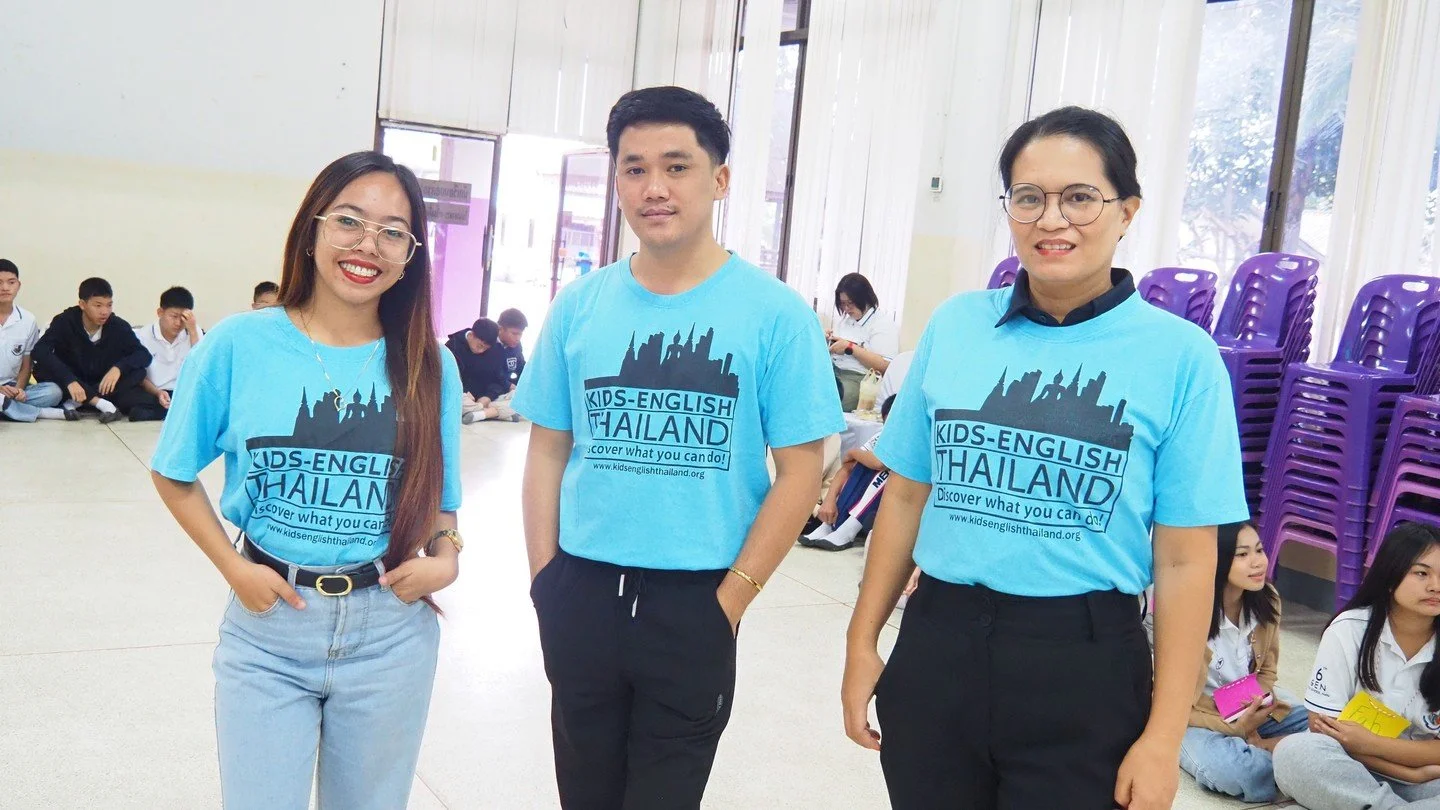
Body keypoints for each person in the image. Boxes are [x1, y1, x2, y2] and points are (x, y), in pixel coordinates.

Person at [841, 106, 1248, 810]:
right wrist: (861, 642)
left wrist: (1163, 737)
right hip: (938, 647)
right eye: (1029, 198)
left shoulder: (1182, 357)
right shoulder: (957, 326)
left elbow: (1186, 561)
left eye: (1080, 197)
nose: (1051, 220)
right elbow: (906, 496)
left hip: (1085, 667)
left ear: (1127, 212)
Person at [514, 86, 844, 808]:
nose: (654, 188)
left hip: (697, 599)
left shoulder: (775, 315)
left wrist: (730, 602)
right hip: (583, 591)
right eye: (634, 169)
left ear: (719, 180)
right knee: (584, 793)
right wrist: (546, 581)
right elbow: (546, 451)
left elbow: (801, 472)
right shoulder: (580, 305)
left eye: (676, 166)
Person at [149, 151, 464, 810]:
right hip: (269, 629)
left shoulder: (428, 364)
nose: (367, 245)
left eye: (392, 232)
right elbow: (173, 471)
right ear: (312, 229)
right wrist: (233, 568)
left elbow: (440, 501)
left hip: (390, 632)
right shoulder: (238, 344)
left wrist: (447, 558)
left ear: (410, 255)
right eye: (349, 221)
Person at [1273, 522, 1440, 809]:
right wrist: (1401, 767)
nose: (1435, 586)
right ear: (1390, 576)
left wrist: (1377, 748)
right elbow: (1321, 727)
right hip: (1350, 763)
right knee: (1294, 751)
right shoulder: (1349, 629)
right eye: (1422, 573)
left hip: (1425, 776)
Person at [1176, 521, 1307, 802]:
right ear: (1217, 559)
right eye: (1243, 554)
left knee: (1322, 724)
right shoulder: (1186, 611)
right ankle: (1303, 769)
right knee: (1236, 771)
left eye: (1259, 550)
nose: (1258, 562)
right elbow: (1170, 704)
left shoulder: (1267, 600)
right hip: (1195, 718)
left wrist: (1255, 710)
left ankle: (1284, 758)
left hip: (1247, 706)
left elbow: (1267, 671)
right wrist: (1235, 728)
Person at [32, 277, 158, 423]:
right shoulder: (65, 321)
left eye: (109, 305)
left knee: (138, 372)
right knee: (44, 368)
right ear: (82, 304)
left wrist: (118, 368)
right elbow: (40, 351)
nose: (105, 311)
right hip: (72, 381)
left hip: (101, 383)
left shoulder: (117, 325)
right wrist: (69, 380)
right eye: (98, 306)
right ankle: (98, 403)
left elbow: (143, 355)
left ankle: (78, 402)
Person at [801, 395, 895, 552]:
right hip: (855, 504)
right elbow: (846, 467)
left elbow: (881, 463)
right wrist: (830, 500)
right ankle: (830, 525)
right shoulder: (881, 436)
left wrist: (853, 452)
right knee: (860, 465)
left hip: (890, 503)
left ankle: (848, 529)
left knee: (885, 472)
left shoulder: (910, 442)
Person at [0, 259, 74, 422]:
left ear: (18, 285)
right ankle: (39, 412)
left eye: (11, 282)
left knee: (54, 392)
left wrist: (19, 390)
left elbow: (26, 365)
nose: (5, 288)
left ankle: (7, 406)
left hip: (12, 386)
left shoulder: (28, 320)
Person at [826, 273, 898, 412]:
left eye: (850, 303)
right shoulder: (845, 321)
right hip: (834, 372)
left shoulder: (882, 324)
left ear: (865, 298)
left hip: (860, 379)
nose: (846, 309)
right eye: (843, 303)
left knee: (829, 398)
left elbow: (885, 366)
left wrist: (850, 347)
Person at [134, 286, 203, 419]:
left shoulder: (194, 331)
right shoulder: (143, 336)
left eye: (183, 318)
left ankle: (167, 412)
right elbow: (139, 375)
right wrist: (158, 392)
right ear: (160, 312)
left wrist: (193, 331)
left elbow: (201, 365)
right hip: (154, 392)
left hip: (184, 391)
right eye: (174, 316)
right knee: (132, 398)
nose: (178, 323)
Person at [443, 317, 519, 423]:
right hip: (465, 397)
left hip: (487, 398)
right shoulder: (453, 346)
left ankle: (483, 413)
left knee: (519, 398)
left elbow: (498, 379)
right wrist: (464, 391)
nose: (481, 351)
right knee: (451, 401)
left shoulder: (496, 349)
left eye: (486, 348)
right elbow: (448, 378)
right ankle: (496, 413)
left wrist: (488, 397)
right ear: (472, 335)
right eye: (480, 346)